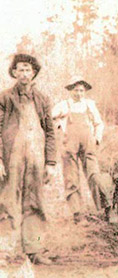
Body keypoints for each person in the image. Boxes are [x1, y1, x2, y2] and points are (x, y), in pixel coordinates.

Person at [0, 54, 57, 265]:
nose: (24, 74)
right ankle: (3, 252)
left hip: (35, 158)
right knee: (6, 202)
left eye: (28, 70)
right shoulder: (5, 98)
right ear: (14, 72)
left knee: (35, 203)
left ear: (34, 73)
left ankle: (35, 249)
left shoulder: (42, 100)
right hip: (10, 159)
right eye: (20, 69)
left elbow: (50, 132)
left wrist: (50, 163)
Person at [52, 76, 116, 224]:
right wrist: (60, 126)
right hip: (69, 145)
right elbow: (49, 118)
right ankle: (78, 214)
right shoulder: (63, 105)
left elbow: (99, 123)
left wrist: (97, 138)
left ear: (85, 91)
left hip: (88, 145)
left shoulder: (89, 105)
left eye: (81, 90)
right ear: (70, 91)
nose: (78, 93)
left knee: (94, 175)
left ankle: (108, 209)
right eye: (75, 90)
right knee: (71, 178)